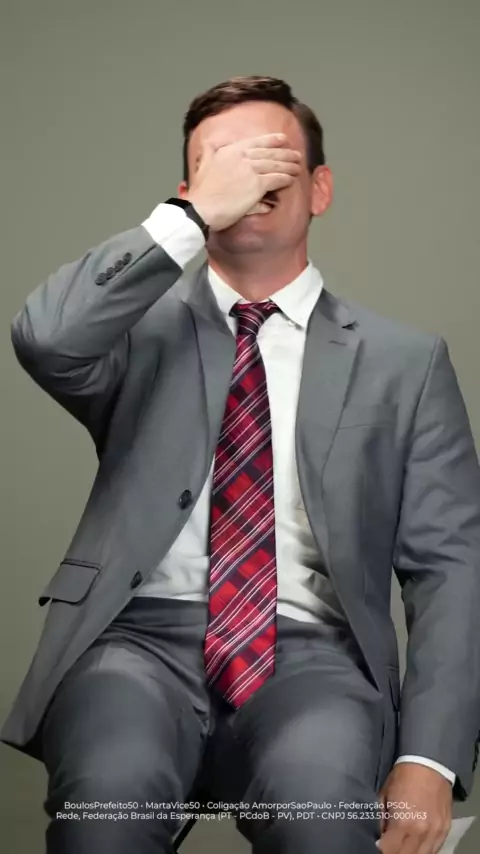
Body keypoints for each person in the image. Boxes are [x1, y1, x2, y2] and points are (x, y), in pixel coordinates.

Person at [2, 75, 480, 854]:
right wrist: (190, 219)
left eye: (272, 158)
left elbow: (452, 567)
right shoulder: (130, 330)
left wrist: (429, 757)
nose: (249, 173)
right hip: (133, 645)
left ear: (319, 189)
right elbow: (46, 338)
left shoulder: (406, 362)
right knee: (105, 814)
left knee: (323, 818)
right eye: (222, 161)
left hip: (315, 657)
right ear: (192, 190)